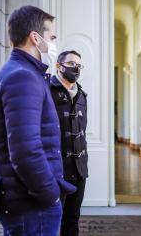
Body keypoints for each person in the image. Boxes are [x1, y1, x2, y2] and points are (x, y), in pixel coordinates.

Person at [0, 5, 76, 236]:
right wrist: (50, 195)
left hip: (23, 198)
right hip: (31, 203)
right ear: (35, 37)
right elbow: (25, 150)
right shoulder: (23, 77)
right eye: (51, 37)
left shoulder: (15, 72)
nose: (53, 43)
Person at [50, 50, 88, 236]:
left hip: (78, 170)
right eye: (72, 64)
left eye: (79, 66)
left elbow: (82, 133)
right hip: (55, 171)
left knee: (72, 220)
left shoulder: (82, 95)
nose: (76, 69)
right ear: (59, 66)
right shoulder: (46, 90)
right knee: (51, 221)